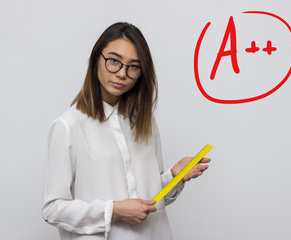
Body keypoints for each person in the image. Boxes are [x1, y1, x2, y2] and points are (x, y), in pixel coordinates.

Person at [42, 22, 211, 240]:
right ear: (96, 59)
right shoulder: (68, 126)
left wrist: (174, 176)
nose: (122, 73)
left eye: (133, 66)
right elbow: (52, 209)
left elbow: (149, 200)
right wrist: (114, 211)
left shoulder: (144, 121)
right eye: (114, 61)